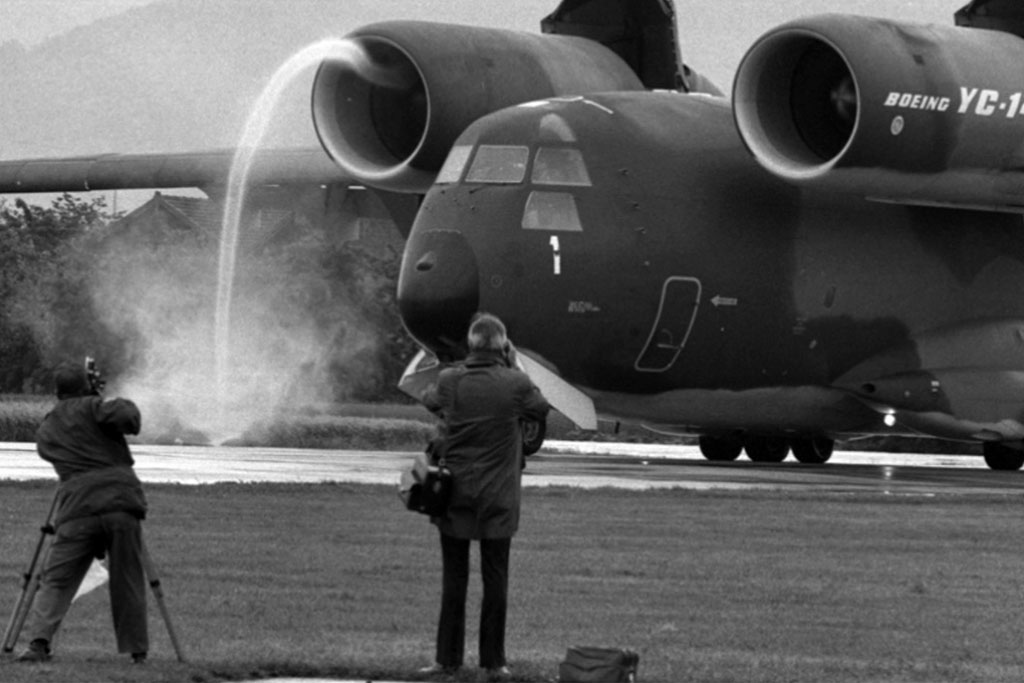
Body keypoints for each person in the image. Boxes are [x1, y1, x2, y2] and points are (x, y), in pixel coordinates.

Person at [419, 313, 550, 679]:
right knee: (496, 581)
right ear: (503, 346)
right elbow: (541, 409)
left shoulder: (451, 381)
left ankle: (447, 660)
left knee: (454, 580)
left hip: (455, 493)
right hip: (498, 498)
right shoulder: (517, 384)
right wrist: (511, 366)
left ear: (471, 345)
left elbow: (430, 400)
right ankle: (494, 662)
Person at [17, 361, 148, 664]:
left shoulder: (48, 426)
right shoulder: (95, 407)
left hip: (76, 508)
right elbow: (130, 418)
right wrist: (102, 399)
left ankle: (38, 642)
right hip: (119, 502)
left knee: (57, 579)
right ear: (86, 387)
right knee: (127, 575)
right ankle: (137, 650)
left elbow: (47, 450)